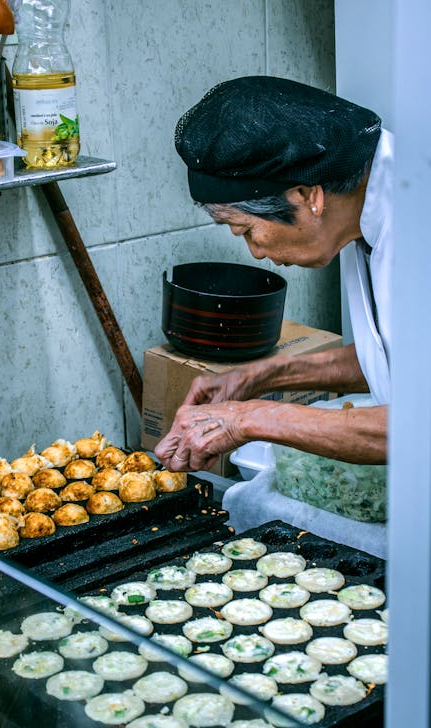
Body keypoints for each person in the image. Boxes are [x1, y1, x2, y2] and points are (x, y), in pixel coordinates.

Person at [155, 76, 392, 473]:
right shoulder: (359, 214)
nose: (256, 253)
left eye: (248, 230)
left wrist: (246, 420)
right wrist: (257, 377)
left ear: (305, 196)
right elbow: (397, 362)